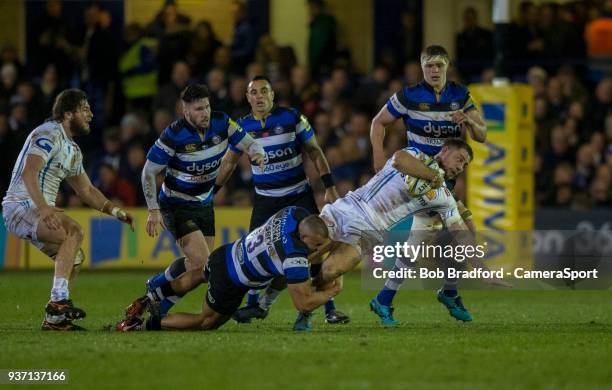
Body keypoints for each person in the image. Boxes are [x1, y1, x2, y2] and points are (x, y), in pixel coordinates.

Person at [314, 139, 503, 328]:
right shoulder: (414, 154)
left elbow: (461, 235)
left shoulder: (444, 197)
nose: (461, 167)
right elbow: (398, 160)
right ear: (445, 150)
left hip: (368, 231)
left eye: (465, 164)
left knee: (330, 271)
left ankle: (307, 305)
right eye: (459, 159)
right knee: (304, 250)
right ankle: (297, 286)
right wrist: (433, 175)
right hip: (346, 209)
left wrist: (483, 270)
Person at [214, 75, 347, 330]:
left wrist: (329, 186)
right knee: (253, 251)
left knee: (314, 251)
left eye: (265, 91)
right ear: (248, 97)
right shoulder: (241, 127)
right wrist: (213, 191)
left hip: (298, 195)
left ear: (273, 95)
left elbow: (315, 151)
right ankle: (254, 304)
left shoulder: (291, 118)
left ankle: (327, 310)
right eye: (254, 92)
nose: (260, 96)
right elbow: (229, 162)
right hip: (266, 200)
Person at [369, 45, 487, 323]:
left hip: (447, 178)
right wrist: (378, 156)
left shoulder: (461, 95)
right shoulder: (409, 96)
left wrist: (468, 120)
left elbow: (481, 135)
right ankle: (447, 292)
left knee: (423, 242)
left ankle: (386, 299)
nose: (434, 71)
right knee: (463, 232)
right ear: (422, 68)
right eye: (429, 66)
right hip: (422, 179)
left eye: (439, 66)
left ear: (447, 67)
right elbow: (378, 122)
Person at [2, 89, 134, 331]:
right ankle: (58, 303)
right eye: (85, 109)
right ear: (67, 113)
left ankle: (56, 320)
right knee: (74, 231)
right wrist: (44, 208)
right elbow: (28, 172)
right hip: (20, 206)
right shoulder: (48, 133)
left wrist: (116, 212)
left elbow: (86, 191)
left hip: (38, 210)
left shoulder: (72, 149)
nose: (91, 115)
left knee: (75, 257)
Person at [140, 84, 264, 316]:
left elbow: (252, 143)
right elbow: (148, 172)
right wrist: (153, 209)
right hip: (176, 203)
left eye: (207, 106)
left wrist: (258, 153)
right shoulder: (173, 135)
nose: (205, 113)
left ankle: (157, 283)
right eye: (198, 109)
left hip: (204, 202)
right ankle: (159, 303)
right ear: (185, 112)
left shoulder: (222, 122)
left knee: (197, 267)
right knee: (204, 265)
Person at [116, 207, 340, 332]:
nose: (319, 250)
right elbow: (302, 303)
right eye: (316, 245)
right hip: (231, 280)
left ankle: (151, 296)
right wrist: (332, 291)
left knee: (200, 274)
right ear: (303, 237)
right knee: (207, 321)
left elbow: (299, 246)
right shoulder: (293, 255)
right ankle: (142, 325)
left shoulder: (292, 213)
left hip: (226, 253)